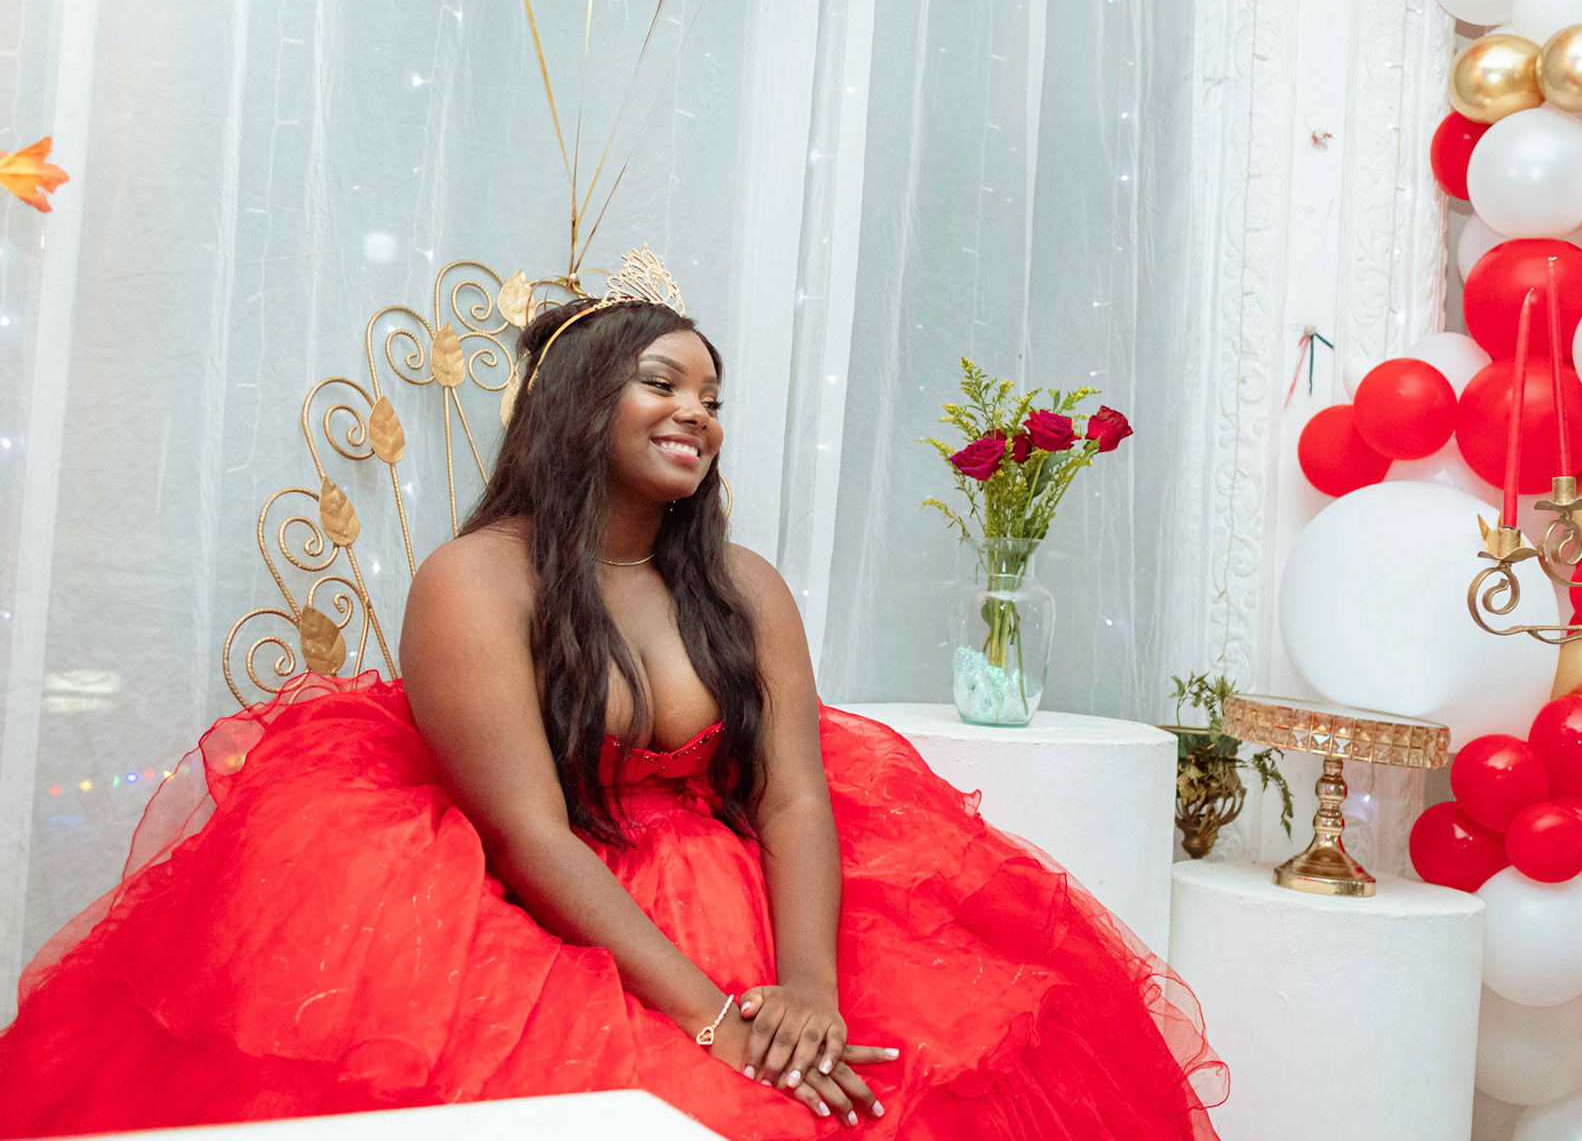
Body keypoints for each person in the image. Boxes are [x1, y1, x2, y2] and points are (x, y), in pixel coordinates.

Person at [0, 268, 1225, 1139]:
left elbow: (796, 796)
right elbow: (530, 833)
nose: (698, 411)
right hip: (551, 914)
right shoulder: (476, 580)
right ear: (579, 398)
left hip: (753, 907)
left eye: (713, 395)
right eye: (662, 381)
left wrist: (809, 987)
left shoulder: (743, 585)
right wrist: (713, 1018)